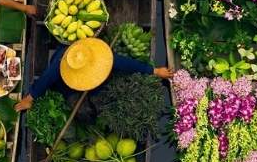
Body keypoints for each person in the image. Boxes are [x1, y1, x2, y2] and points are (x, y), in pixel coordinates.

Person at [14, 37, 173, 112]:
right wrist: (29, 99)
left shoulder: (100, 58)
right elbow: (44, 81)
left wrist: (155, 71)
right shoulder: (59, 67)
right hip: (65, 84)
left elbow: (127, 64)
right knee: (70, 97)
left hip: (84, 68)